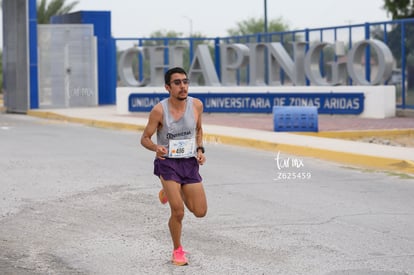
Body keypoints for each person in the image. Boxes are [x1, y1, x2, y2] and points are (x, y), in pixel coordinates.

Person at [140, 67, 208, 266]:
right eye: (177, 83)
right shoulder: (159, 110)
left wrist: (200, 150)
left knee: (200, 211)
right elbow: (144, 138)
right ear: (167, 87)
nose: (183, 86)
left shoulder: (196, 105)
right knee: (178, 211)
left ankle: (168, 191)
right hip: (168, 163)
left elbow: (199, 129)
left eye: (185, 82)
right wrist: (155, 147)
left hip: (189, 162)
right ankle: (177, 250)